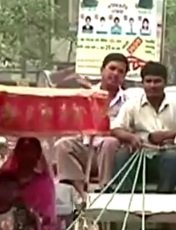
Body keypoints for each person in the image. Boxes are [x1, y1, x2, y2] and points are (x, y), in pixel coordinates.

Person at [109, 61, 176, 193]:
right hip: (140, 156)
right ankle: (125, 196)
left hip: (167, 157)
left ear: (165, 83)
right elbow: (116, 128)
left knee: (172, 156)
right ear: (142, 83)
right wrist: (131, 137)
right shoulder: (132, 105)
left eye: (157, 81)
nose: (152, 85)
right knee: (122, 154)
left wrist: (166, 135)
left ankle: (163, 197)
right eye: (148, 81)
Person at [54, 53, 127, 195]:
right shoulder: (87, 95)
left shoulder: (128, 100)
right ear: (102, 70)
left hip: (112, 153)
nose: (115, 74)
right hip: (87, 148)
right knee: (63, 144)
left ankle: (105, 188)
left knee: (110, 142)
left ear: (124, 76)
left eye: (120, 71)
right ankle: (81, 192)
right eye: (112, 68)